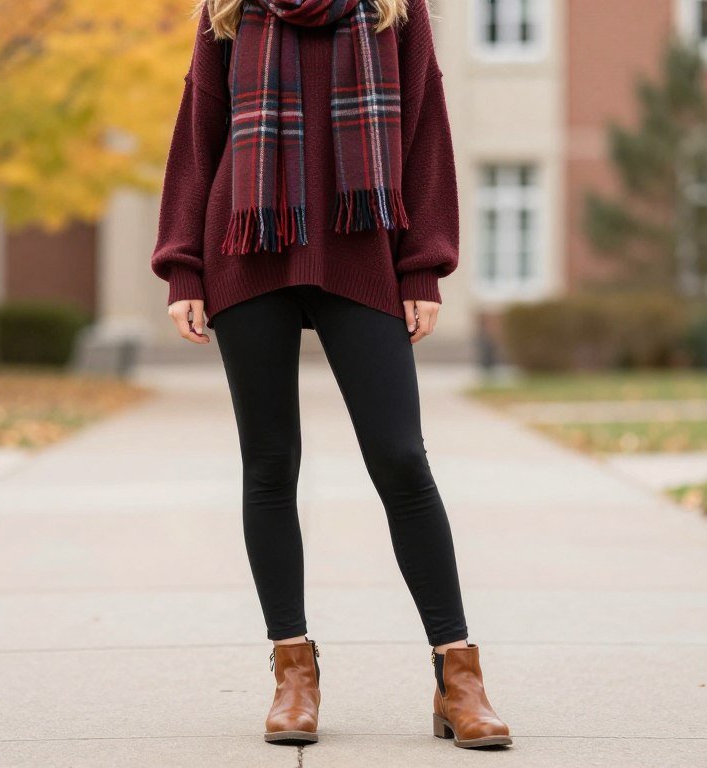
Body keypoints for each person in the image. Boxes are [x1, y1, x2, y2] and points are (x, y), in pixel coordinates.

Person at [150, 0, 511, 750]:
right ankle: (293, 670)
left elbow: (426, 130)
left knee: (402, 459)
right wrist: (183, 265)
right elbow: (198, 135)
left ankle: (459, 675)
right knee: (271, 463)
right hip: (247, 248)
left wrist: (424, 264)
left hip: (360, 247)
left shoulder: (390, 11)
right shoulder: (230, 10)